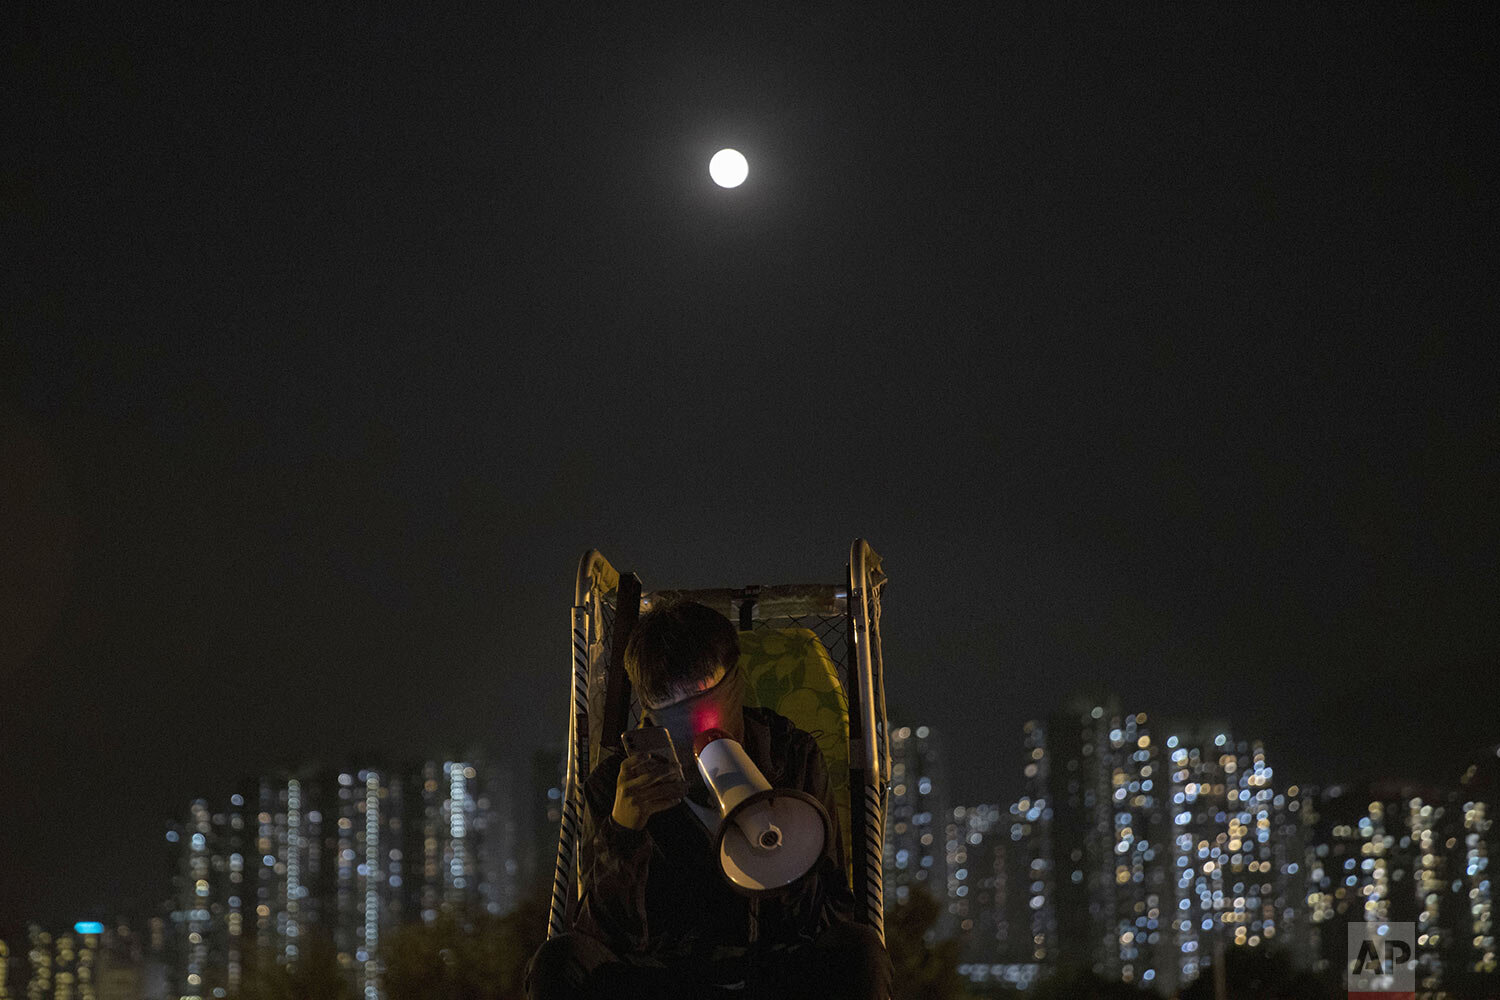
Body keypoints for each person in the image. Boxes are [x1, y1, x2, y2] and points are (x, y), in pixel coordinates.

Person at [526, 600, 891, 1000]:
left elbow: (833, 911)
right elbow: (607, 937)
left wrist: (780, 844)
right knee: (559, 961)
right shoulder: (616, 785)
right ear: (650, 712)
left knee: (860, 952)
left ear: (735, 683)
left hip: (773, 970)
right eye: (674, 709)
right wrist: (625, 832)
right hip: (668, 977)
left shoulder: (791, 756)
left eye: (706, 696)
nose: (697, 726)